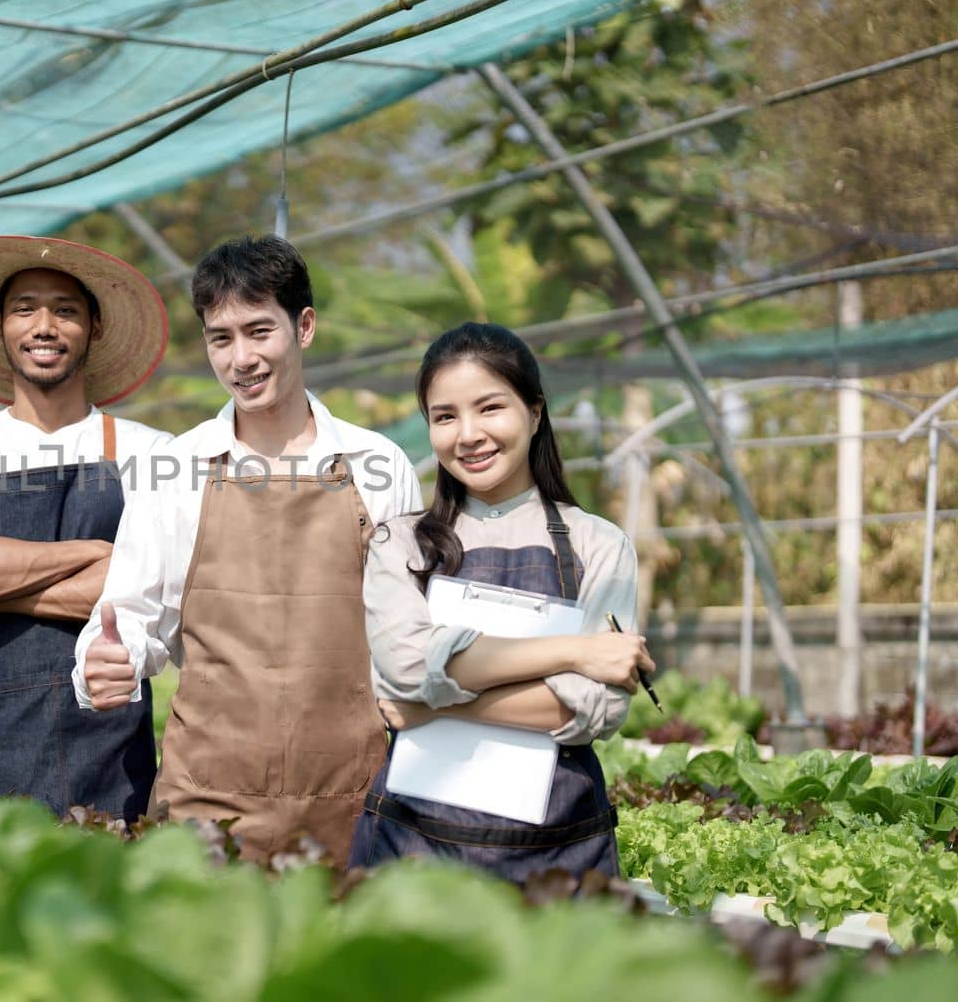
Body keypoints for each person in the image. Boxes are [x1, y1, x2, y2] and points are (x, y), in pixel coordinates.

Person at [74, 235, 421, 864]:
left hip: (353, 800)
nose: (241, 359)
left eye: (260, 331)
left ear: (304, 326)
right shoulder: (174, 466)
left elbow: (411, 627)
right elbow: (130, 617)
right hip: (207, 801)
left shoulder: (378, 465)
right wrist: (106, 661)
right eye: (220, 338)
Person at [347, 321, 654, 881]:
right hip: (413, 848)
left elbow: (592, 709)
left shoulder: (599, 545)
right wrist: (572, 651)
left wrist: (432, 706)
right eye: (445, 417)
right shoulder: (399, 545)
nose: (468, 434)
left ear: (534, 413)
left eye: (490, 408)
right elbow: (406, 669)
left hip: (559, 856)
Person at [0, 235, 171, 821]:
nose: (44, 325)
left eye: (66, 310)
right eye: (25, 308)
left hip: (108, 740)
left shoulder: (150, 450)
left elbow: (155, 591)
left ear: (95, 328)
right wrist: (96, 555)